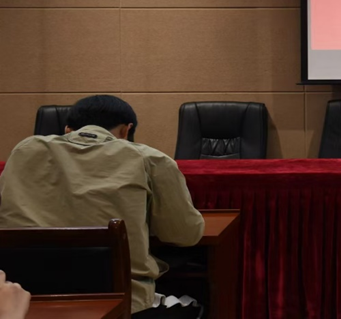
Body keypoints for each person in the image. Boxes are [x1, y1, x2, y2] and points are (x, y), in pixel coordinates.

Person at [0, 95, 205, 318]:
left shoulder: (23, 150)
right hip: (120, 303)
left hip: (22, 302)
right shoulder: (150, 158)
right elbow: (185, 234)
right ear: (126, 130)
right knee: (199, 299)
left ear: (67, 130)